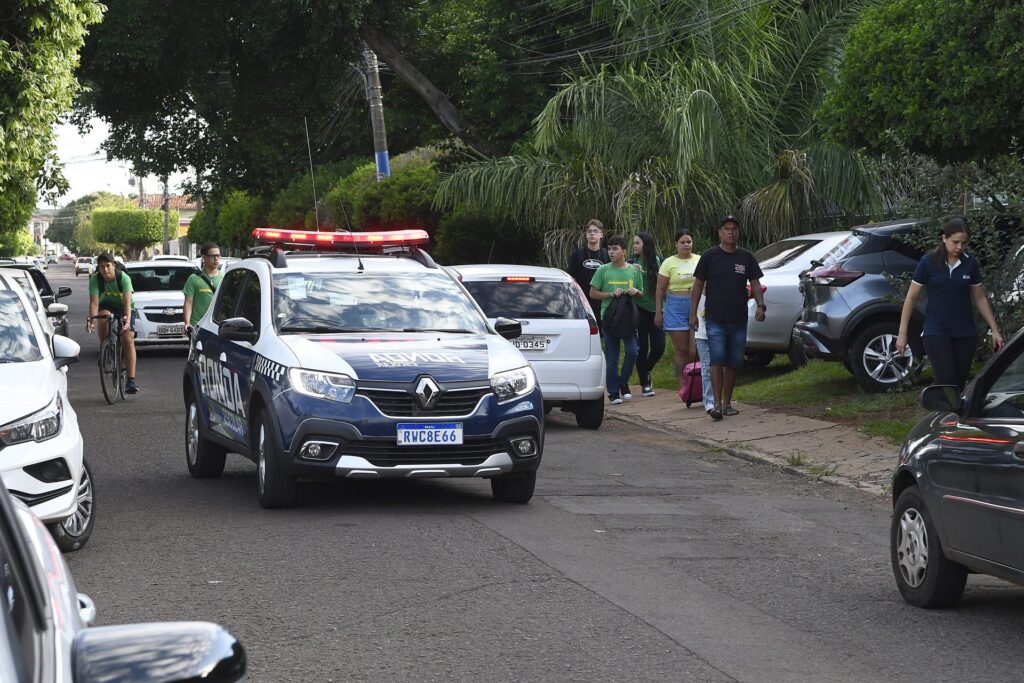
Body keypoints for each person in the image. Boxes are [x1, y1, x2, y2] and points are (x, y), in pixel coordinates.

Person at [896, 217, 1003, 389]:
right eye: (955, 242)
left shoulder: (970, 263)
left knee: (959, 385)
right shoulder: (928, 262)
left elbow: (980, 298)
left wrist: (995, 329)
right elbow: (911, 298)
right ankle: (944, 414)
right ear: (944, 238)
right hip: (936, 332)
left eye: (964, 243)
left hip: (965, 333)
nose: (959, 247)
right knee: (946, 382)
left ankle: (955, 415)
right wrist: (902, 333)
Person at [689, 216, 765, 420]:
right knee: (717, 359)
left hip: (739, 318)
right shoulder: (709, 256)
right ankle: (715, 404)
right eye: (726, 229)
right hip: (715, 318)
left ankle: (727, 403)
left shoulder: (746, 257)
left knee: (733, 361)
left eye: (734, 229)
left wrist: (760, 305)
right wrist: (693, 314)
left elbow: (755, 283)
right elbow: (697, 285)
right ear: (720, 232)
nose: (731, 232)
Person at [590, 235, 644, 404]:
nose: (611, 252)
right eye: (609, 249)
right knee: (612, 358)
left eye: (615, 249)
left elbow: (642, 293)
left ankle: (623, 382)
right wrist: (611, 294)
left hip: (628, 317)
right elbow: (592, 293)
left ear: (624, 251)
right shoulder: (603, 270)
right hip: (609, 317)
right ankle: (613, 392)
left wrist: (636, 291)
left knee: (632, 351)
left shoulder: (634, 270)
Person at [654, 230, 700, 394]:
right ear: (676, 244)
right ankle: (683, 386)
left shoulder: (699, 260)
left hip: (696, 304)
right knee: (682, 350)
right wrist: (659, 312)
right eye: (683, 242)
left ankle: (698, 381)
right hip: (675, 305)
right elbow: (660, 289)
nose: (686, 245)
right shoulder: (668, 262)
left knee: (696, 349)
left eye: (689, 241)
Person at [87, 252, 140, 394]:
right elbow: (94, 303)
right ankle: (105, 349)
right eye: (102, 267)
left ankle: (131, 380)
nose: (105, 270)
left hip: (125, 308)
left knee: (127, 338)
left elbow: (128, 303)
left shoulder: (123, 278)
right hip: (107, 305)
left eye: (108, 266)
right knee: (102, 316)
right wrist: (92, 320)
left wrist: (127, 321)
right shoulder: (95, 280)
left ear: (113, 265)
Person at [630, 232, 665, 396]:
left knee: (659, 346)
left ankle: (646, 370)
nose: (634, 245)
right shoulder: (631, 262)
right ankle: (645, 383)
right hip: (639, 309)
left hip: (657, 309)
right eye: (634, 243)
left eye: (637, 243)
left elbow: (662, 284)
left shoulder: (658, 261)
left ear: (646, 244)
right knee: (642, 347)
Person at [567, 219, 609, 324]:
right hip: (582, 299)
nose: (592, 233)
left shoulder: (607, 254)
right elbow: (571, 278)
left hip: (602, 299)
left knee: (602, 332)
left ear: (601, 235)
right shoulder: (577, 254)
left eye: (595, 231)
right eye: (589, 231)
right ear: (586, 235)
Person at [184, 242, 224, 335]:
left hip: (217, 327)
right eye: (212, 256)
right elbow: (188, 303)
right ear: (203, 257)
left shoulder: (224, 277)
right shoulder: (193, 278)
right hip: (198, 327)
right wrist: (187, 323)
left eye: (218, 255)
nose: (216, 259)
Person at [692, 294, 715, 414]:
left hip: (718, 332)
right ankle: (709, 401)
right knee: (706, 368)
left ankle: (720, 399)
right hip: (701, 333)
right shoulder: (698, 293)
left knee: (720, 366)